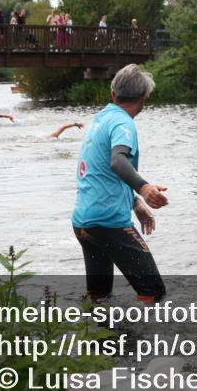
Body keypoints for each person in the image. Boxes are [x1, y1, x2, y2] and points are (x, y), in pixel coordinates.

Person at [72, 64, 169, 303]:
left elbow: (101, 170)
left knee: (100, 297)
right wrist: (144, 188)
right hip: (109, 222)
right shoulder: (123, 123)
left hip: (83, 222)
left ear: (113, 94)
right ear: (144, 99)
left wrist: (135, 203)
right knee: (153, 293)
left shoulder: (101, 119)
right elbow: (117, 161)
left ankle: (104, 339)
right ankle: (143, 339)